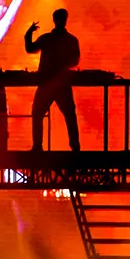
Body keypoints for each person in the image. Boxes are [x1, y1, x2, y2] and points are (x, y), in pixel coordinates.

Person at [25, 8, 81, 152]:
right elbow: (75, 61)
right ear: (65, 20)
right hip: (62, 83)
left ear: (54, 20)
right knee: (70, 115)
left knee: (37, 113)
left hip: (46, 83)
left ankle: (37, 146)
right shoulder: (71, 40)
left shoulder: (46, 39)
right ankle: (75, 147)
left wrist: (28, 34)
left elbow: (30, 49)